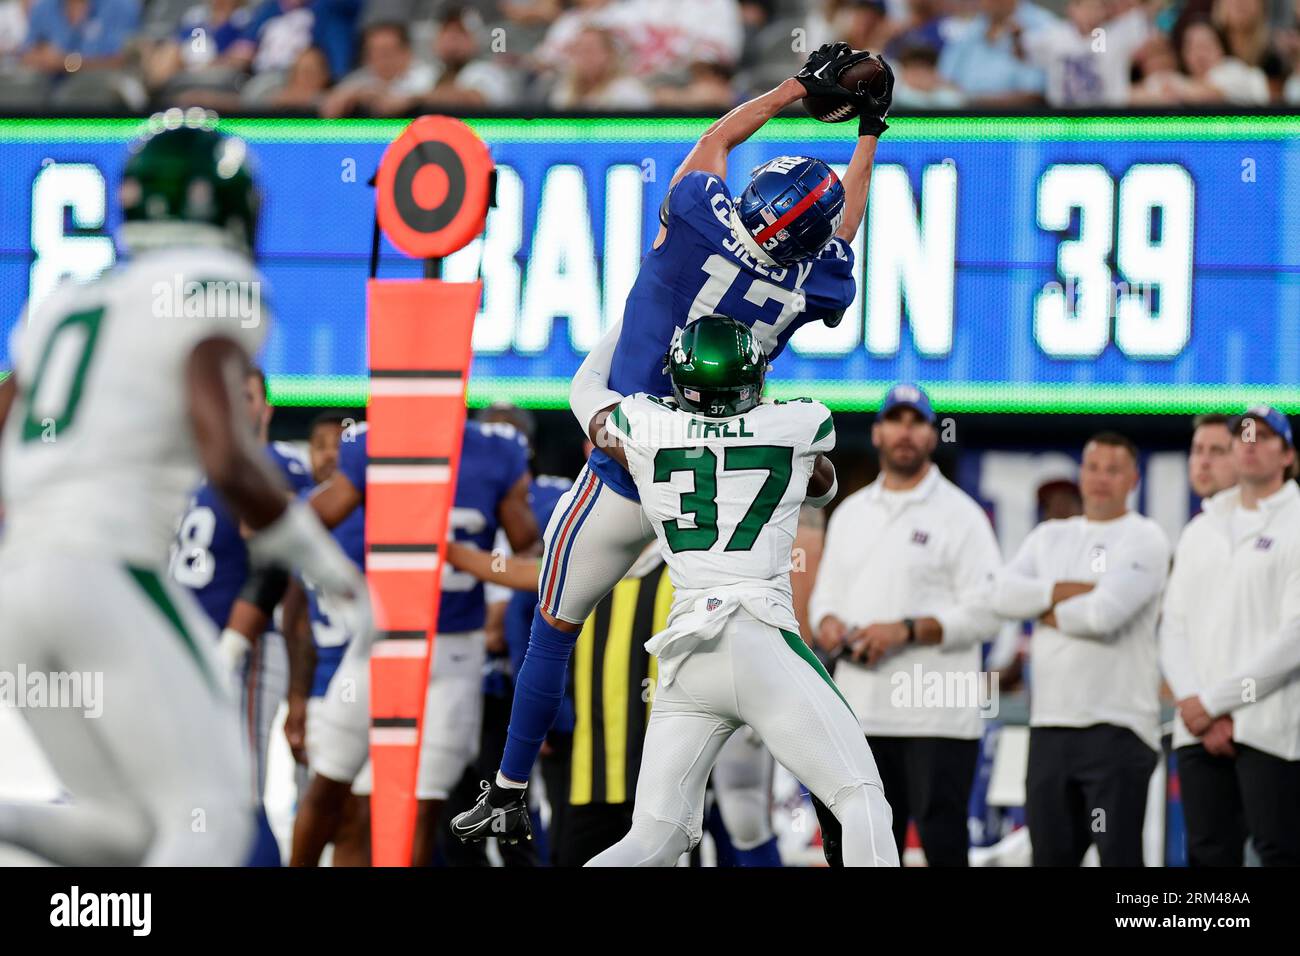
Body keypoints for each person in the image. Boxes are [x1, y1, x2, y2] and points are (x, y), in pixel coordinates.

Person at [451, 42, 894, 845]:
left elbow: (716, 143)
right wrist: (870, 132)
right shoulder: (810, 282)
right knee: (767, 701)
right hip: (720, 473)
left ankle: (512, 787)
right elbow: (845, 231)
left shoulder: (700, 220)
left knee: (555, 617)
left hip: (632, 452)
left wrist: (796, 87)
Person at [0, 116, 368, 866]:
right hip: (104, 573)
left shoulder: (68, 299)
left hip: (18, 583)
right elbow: (229, 456)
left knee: (120, 828)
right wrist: (328, 569)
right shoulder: (214, 286)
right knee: (211, 815)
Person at [582, 314, 898, 867]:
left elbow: (584, 393)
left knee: (653, 838)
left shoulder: (646, 425)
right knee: (860, 799)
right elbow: (823, 486)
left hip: (687, 652)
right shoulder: (798, 423)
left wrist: (639, 312)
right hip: (760, 636)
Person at [290, 417, 538, 866]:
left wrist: (476, 562)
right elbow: (309, 521)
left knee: (423, 806)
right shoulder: (374, 442)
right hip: (386, 638)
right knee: (332, 782)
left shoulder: (495, 454)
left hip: (456, 644)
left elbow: (530, 554)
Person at [809, 382, 1003, 866]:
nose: (905, 432)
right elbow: (824, 601)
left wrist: (905, 630)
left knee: (942, 846)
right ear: (876, 433)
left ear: (933, 436)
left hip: (937, 711)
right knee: (869, 850)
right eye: (895, 420)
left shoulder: (961, 515)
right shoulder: (851, 513)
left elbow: (988, 609)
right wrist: (831, 626)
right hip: (862, 713)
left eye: (917, 422)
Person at [984, 433, 1170, 866]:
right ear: (1081, 473)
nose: (1101, 478)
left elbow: (1104, 615)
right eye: (1093, 467)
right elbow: (999, 595)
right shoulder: (1049, 536)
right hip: (1050, 727)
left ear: (1134, 479)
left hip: (1118, 729)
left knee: (1118, 858)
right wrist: (1065, 591)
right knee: (1049, 857)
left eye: (1114, 469)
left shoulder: (1145, 537)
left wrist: (1041, 606)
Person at [170, 363, 314, 865]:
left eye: (246, 396)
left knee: (240, 793)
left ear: (265, 406)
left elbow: (277, 565)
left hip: (243, 649)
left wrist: (233, 645)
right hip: (185, 653)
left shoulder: (274, 464)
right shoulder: (190, 472)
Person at [1160, 405, 1300, 866]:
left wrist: (1215, 703)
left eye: (1264, 435)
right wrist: (1195, 703)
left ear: (1287, 456)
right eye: (1242, 435)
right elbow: (1173, 627)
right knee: (1206, 856)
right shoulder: (1200, 529)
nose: (1251, 443)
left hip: (1270, 728)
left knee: (1279, 851)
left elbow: (1293, 636)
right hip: (1197, 728)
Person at [1188, 412, 1238, 503]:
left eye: (1217, 451)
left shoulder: (1258, 515)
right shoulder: (1202, 517)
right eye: (1198, 451)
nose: (1204, 462)